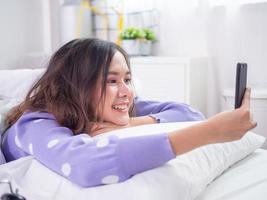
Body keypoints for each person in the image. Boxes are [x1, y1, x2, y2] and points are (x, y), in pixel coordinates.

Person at [1, 38, 256, 187]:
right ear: (77, 86)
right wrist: (209, 133)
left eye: (128, 79)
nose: (126, 92)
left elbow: (188, 113)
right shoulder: (34, 123)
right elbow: (85, 164)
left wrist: (129, 124)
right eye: (111, 81)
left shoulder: (116, 106)